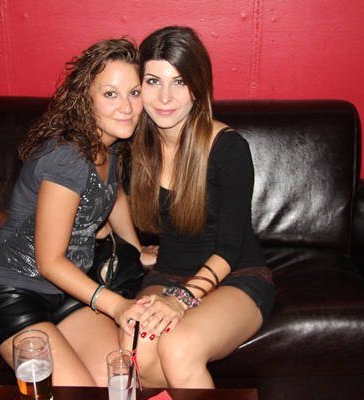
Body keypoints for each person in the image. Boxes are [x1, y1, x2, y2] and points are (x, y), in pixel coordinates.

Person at [0, 37, 156, 387]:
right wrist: (117, 306)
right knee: (80, 393)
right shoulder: (68, 157)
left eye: (134, 93)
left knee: (120, 384)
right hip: (15, 292)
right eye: (110, 94)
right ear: (85, 99)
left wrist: (135, 250)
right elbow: (49, 262)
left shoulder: (111, 145)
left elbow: (114, 194)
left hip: (70, 289)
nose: (126, 107)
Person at [121, 26, 275, 389]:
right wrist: (134, 248)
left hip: (234, 275)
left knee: (178, 347)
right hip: (168, 273)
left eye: (179, 82)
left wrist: (182, 300)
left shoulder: (228, 148)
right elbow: (109, 201)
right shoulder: (134, 147)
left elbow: (230, 248)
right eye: (153, 81)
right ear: (139, 85)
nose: (164, 97)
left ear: (198, 87)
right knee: (135, 348)